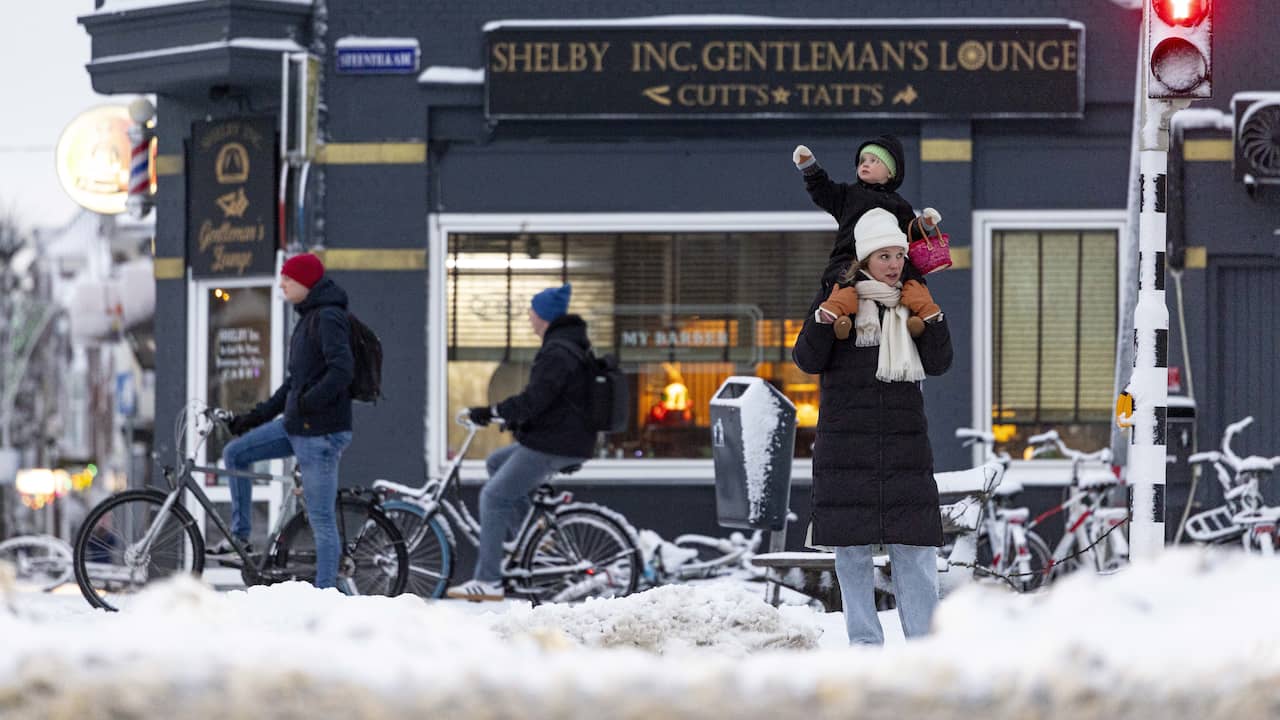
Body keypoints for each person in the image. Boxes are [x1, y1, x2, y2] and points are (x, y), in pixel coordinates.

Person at [792, 208, 953, 646]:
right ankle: (864, 644)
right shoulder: (838, 295)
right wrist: (827, 317)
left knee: (915, 549)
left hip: (905, 449)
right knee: (851, 552)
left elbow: (940, 363)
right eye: (885, 256)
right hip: (846, 449)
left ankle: (924, 646)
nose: (895, 264)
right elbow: (806, 359)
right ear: (864, 259)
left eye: (899, 255)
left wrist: (931, 316)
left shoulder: (912, 298)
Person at [446, 282, 597, 602]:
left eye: (532, 311)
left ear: (544, 316)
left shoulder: (558, 352)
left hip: (556, 443)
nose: (529, 316)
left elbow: (536, 399)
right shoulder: (565, 345)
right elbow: (554, 402)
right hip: (560, 438)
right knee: (496, 463)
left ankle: (488, 580)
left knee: (493, 497)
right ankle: (538, 537)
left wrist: (494, 412)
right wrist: (514, 419)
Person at [215, 252, 354, 591]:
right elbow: (293, 384)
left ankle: (325, 595)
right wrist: (250, 419)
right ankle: (240, 537)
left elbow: (342, 371)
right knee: (235, 453)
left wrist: (307, 403)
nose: (281, 285)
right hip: (297, 427)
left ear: (305, 282)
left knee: (321, 519)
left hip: (320, 433)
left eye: (288, 279)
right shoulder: (307, 319)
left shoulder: (329, 317)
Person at [793, 135, 942, 339]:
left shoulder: (899, 204)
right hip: (850, 255)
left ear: (890, 172)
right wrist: (811, 169)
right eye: (863, 160)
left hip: (888, 258)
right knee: (841, 280)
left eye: (874, 161)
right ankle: (835, 314)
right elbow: (824, 191)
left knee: (913, 279)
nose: (865, 164)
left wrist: (924, 224)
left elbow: (909, 234)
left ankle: (923, 314)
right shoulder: (848, 195)